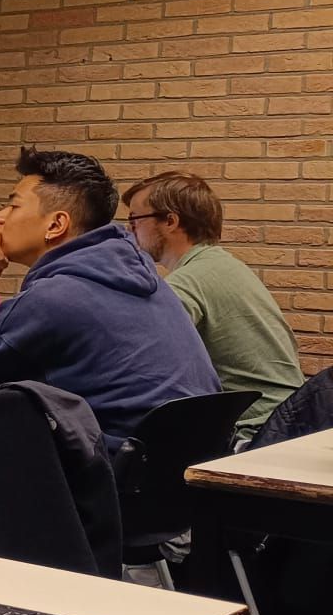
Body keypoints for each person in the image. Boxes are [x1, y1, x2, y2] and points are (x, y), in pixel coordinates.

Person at [0, 147, 216, 449]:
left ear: (56, 224)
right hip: (170, 475)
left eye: (13, 205)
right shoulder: (146, 282)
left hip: (107, 477)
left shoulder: (58, 296)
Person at [122, 171, 302, 443]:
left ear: (170, 221)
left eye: (135, 218)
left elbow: (141, 358)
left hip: (256, 434)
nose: (129, 229)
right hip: (289, 421)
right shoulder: (223, 265)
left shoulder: (189, 282)